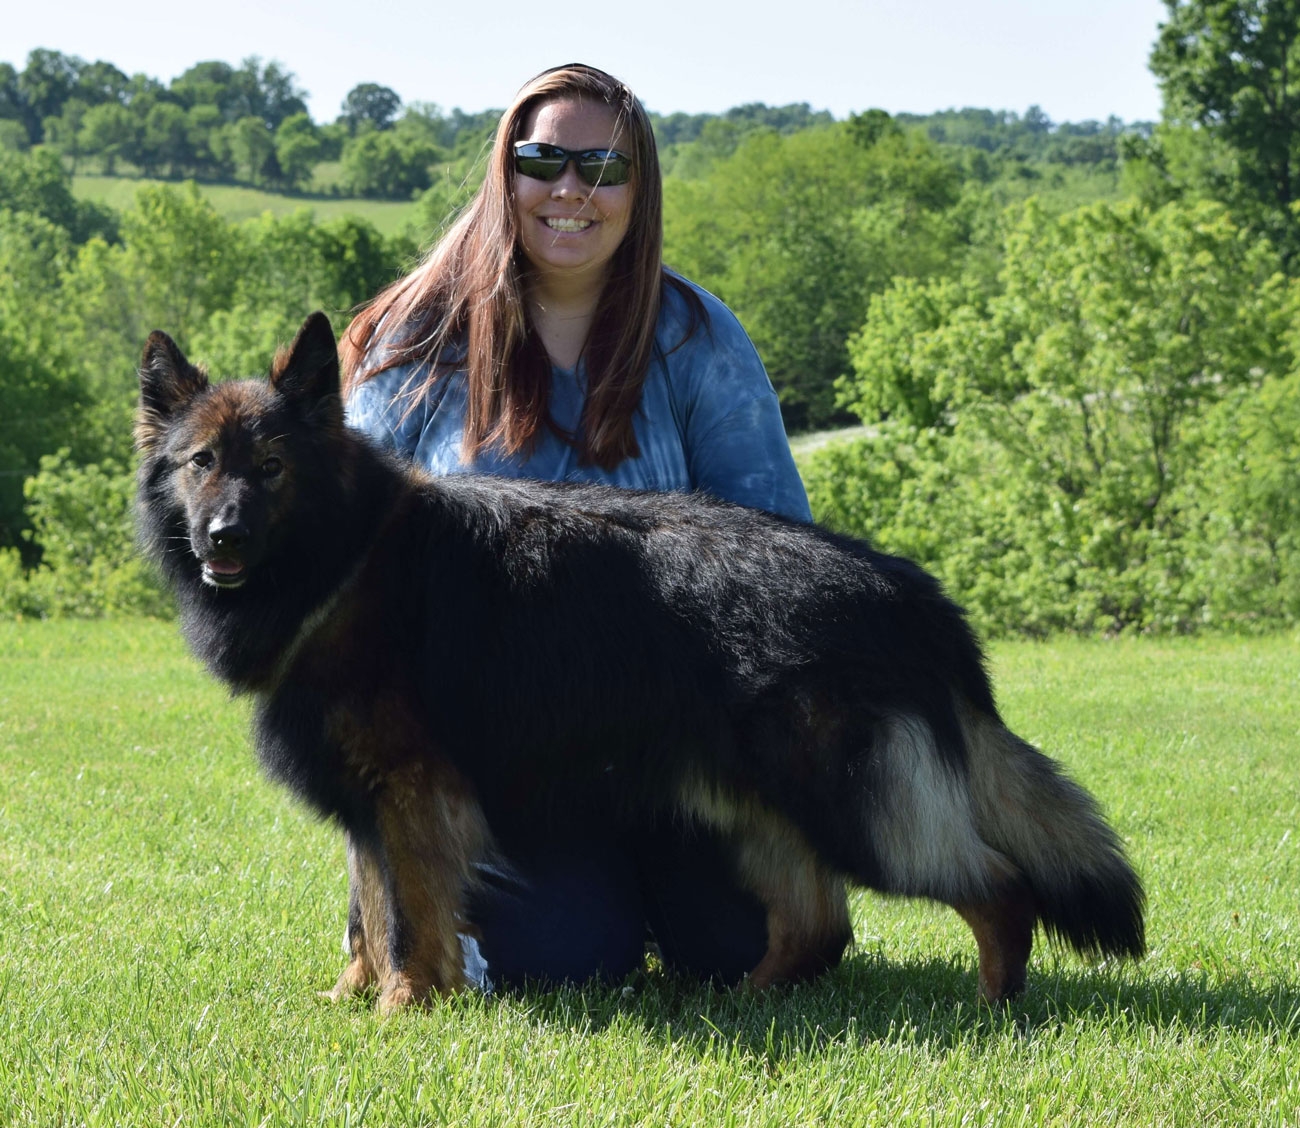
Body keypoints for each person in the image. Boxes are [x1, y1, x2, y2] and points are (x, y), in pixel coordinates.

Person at [340, 63, 844, 989]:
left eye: (604, 169)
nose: (572, 189)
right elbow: (339, 569)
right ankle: (415, 914)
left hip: (678, 748)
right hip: (484, 771)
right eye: (545, 160)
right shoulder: (409, 341)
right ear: (507, 174)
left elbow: (780, 560)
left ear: (638, 191)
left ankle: (659, 886)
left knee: (739, 951)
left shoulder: (700, 338)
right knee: (573, 960)